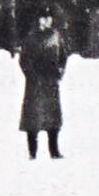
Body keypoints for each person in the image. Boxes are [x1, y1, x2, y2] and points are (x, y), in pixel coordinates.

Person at [18, 8, 66, 160]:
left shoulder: (56, 36)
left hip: (51, 81)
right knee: (33, 118)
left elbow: (63, 57)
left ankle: (54, 150)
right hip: (36, 82)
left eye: (48, 18)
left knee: (53, 118)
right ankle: (32, 152)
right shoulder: (31, 37)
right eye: (43, 18)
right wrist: (31, 75)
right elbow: (24, 59)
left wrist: (60, 71)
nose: (46, 21)